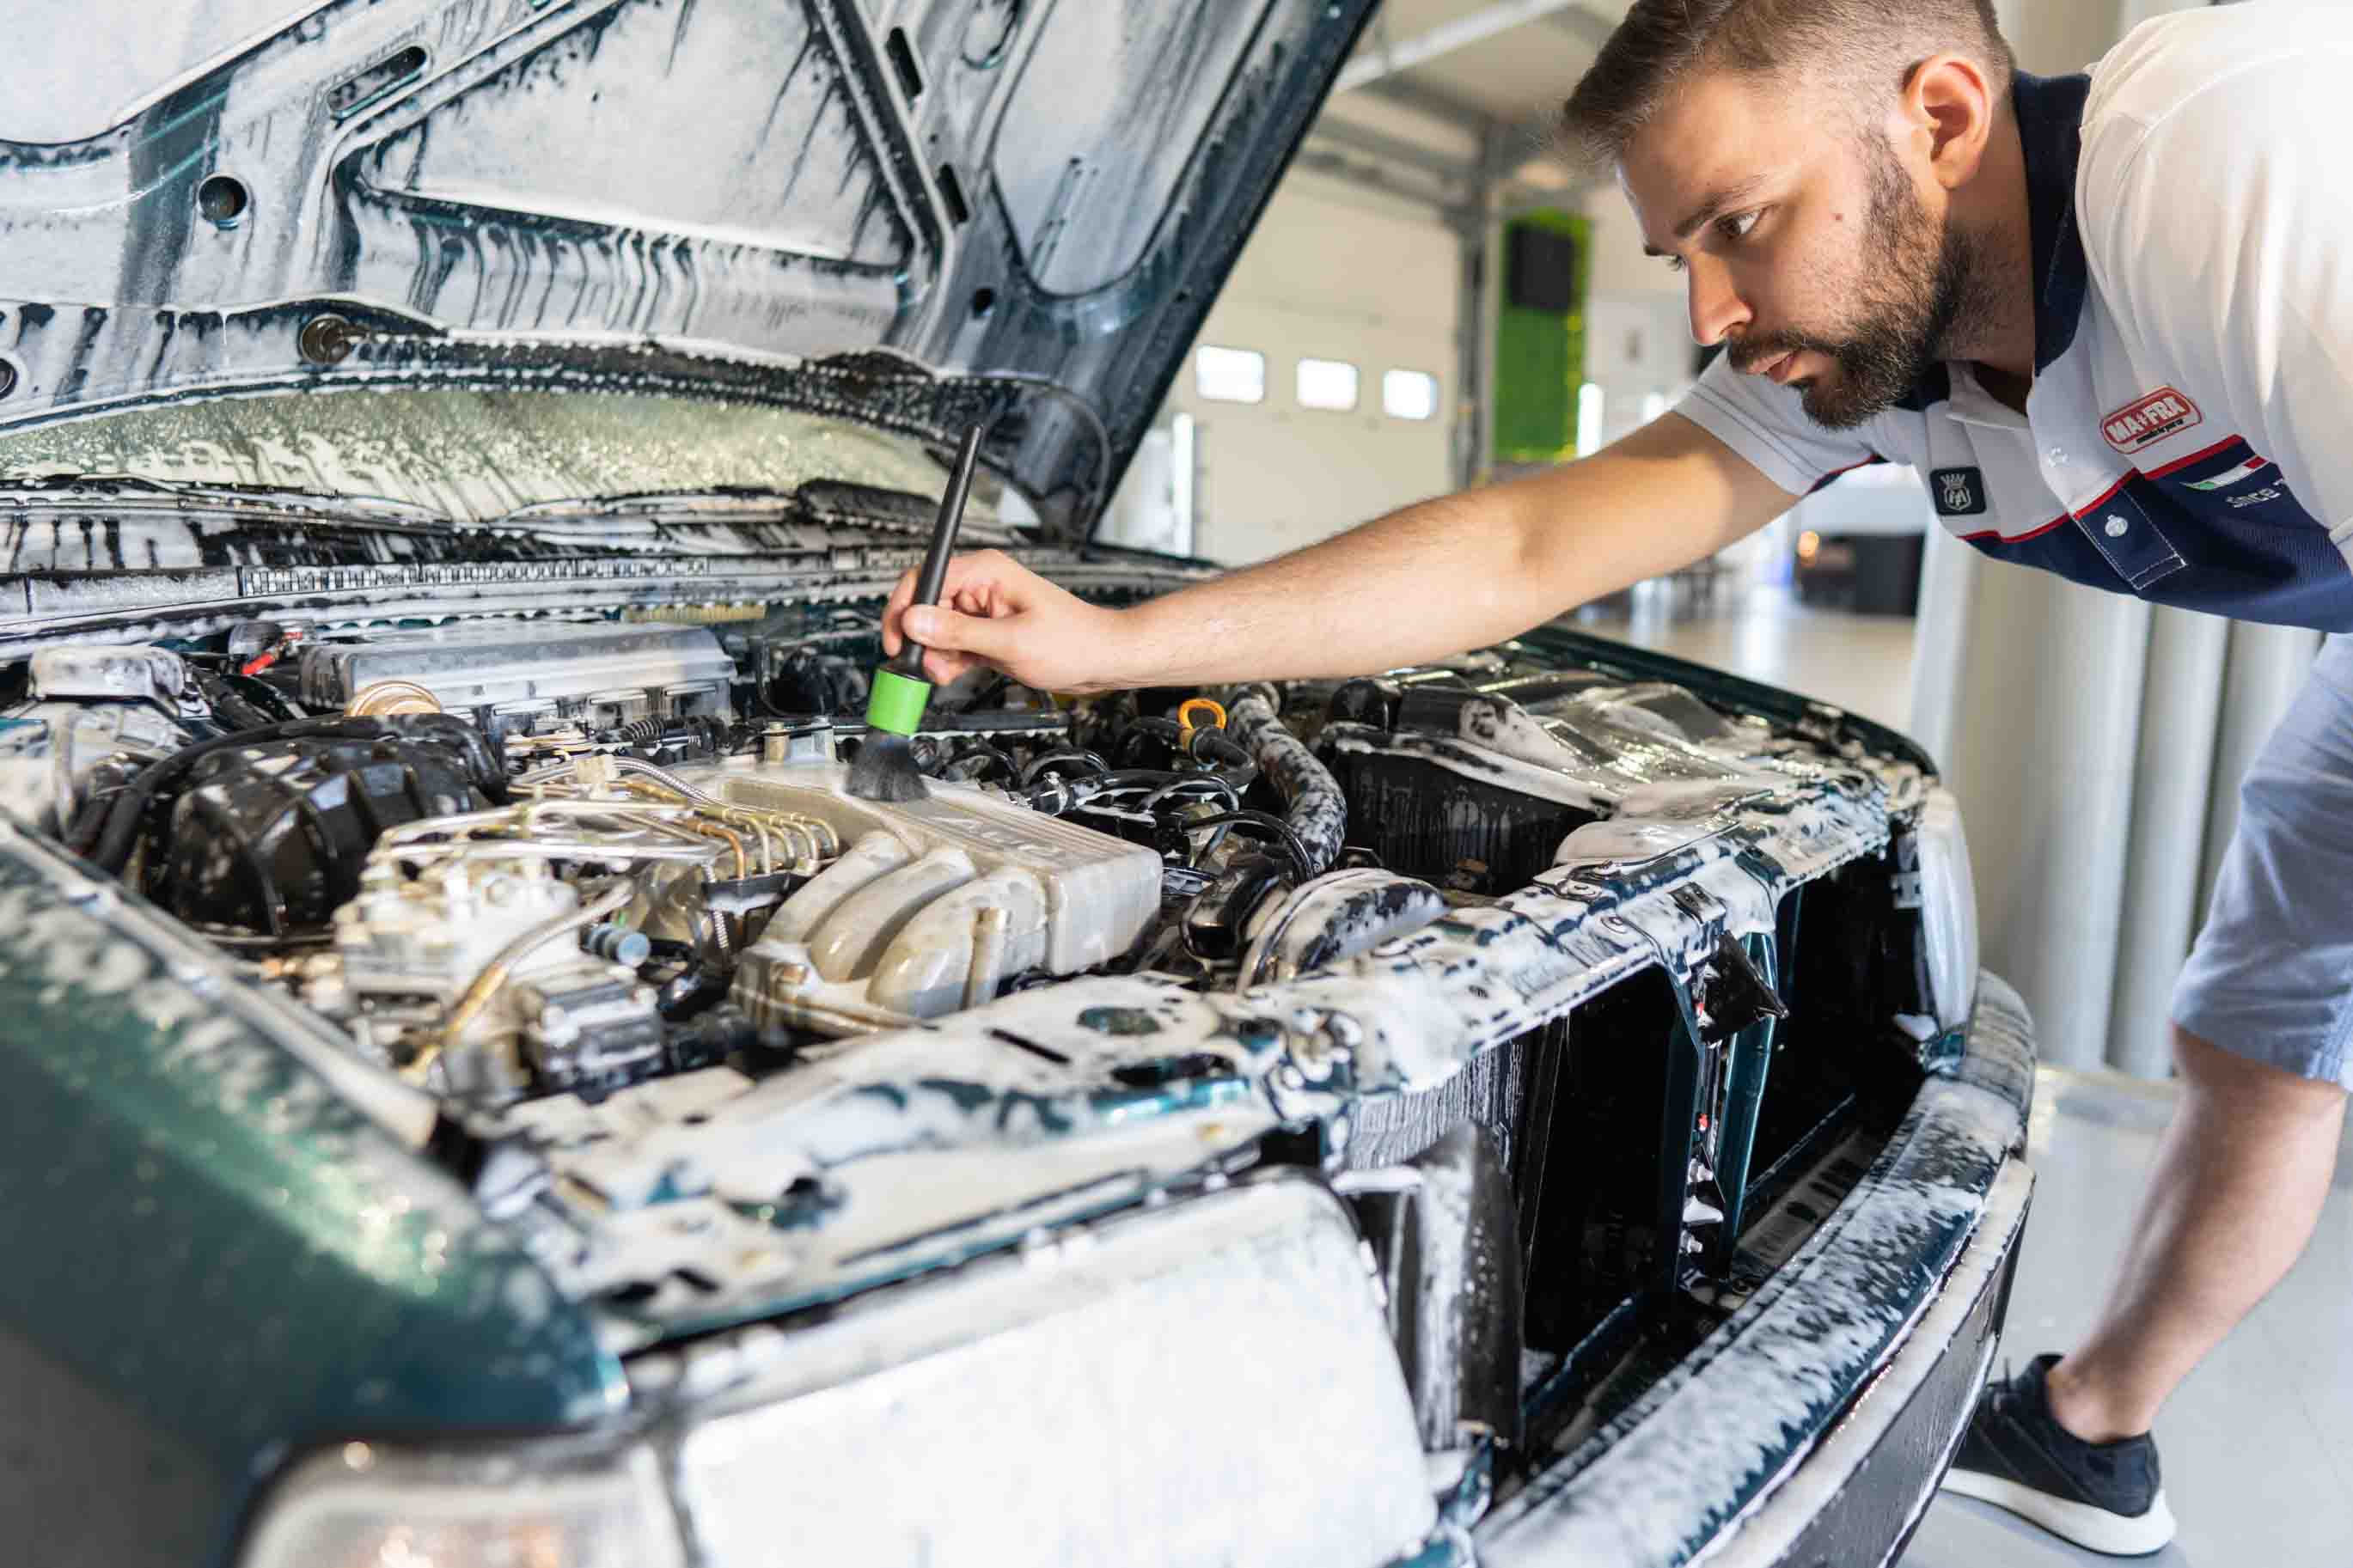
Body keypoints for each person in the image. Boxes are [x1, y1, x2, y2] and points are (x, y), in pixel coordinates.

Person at [883, 3, 2353, 1553]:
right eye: (1681, 255)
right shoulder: (1883, 335)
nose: (1713, 308)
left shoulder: (2224, 161)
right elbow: (1532, 541)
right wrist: (1116, 645)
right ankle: (2088, 1433)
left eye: (1743, 223)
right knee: (2259, 1043)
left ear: (1937, 116)